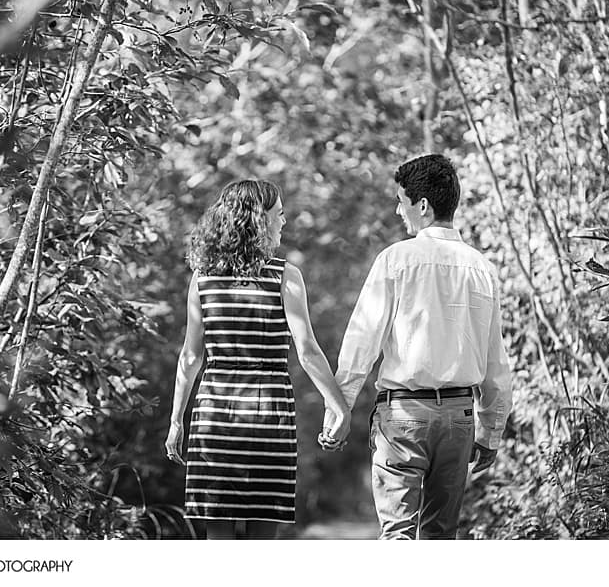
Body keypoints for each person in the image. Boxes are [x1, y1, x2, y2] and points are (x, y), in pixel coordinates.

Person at [321, 153, 512, 539]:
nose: (397, 209)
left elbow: (362, 343)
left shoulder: (395, 260)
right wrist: (489, 432)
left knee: (399, 537)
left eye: (401, 200)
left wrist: (337, 414)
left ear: (422, 206)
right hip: (459, 419)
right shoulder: (482, 269)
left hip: (404, 415)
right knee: (441, 537)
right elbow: (495, 363)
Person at [165, 179, 350, 539]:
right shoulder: (285, 277)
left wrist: (176, 420)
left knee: (216, 540)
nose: (284, 222)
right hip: (268, 413)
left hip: (214, 415)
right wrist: (339, 407)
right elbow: (308, 350)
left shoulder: (202, 278)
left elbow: (190, 357)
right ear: (260, 220)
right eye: (279, 215)